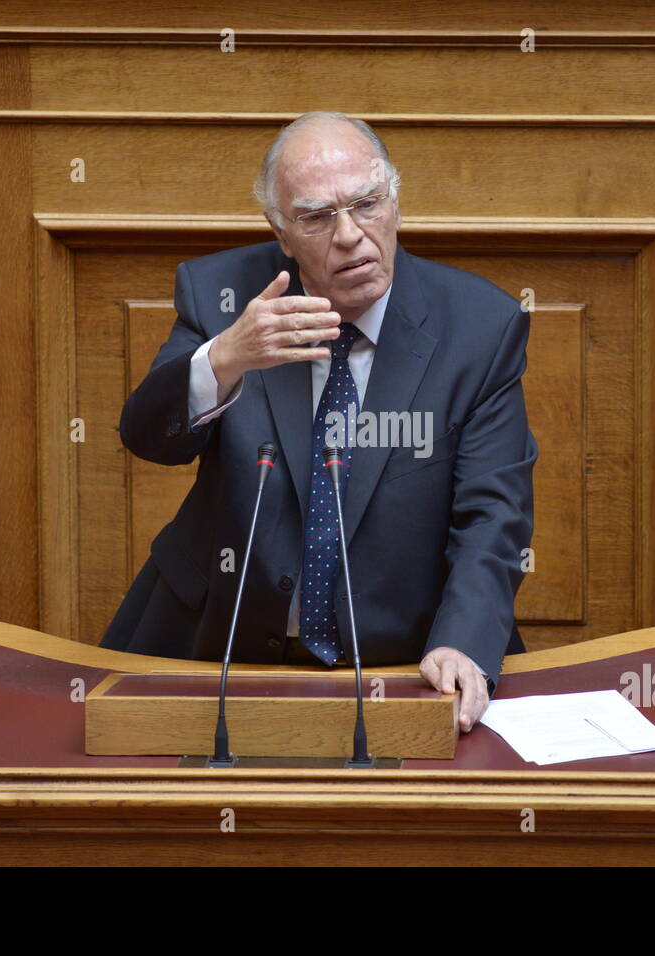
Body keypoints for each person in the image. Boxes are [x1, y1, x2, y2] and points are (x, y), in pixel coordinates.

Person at [100, 111, 537, 731]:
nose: (350, 235)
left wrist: (463, 640)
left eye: (366, 204)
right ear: (280, 232)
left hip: (405, 660)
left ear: (395, 200)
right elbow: (149, 438)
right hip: (212, 640)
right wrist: (224, 358)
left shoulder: (480, 328)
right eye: (315, 217)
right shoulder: (222, 293)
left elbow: (493, 515)